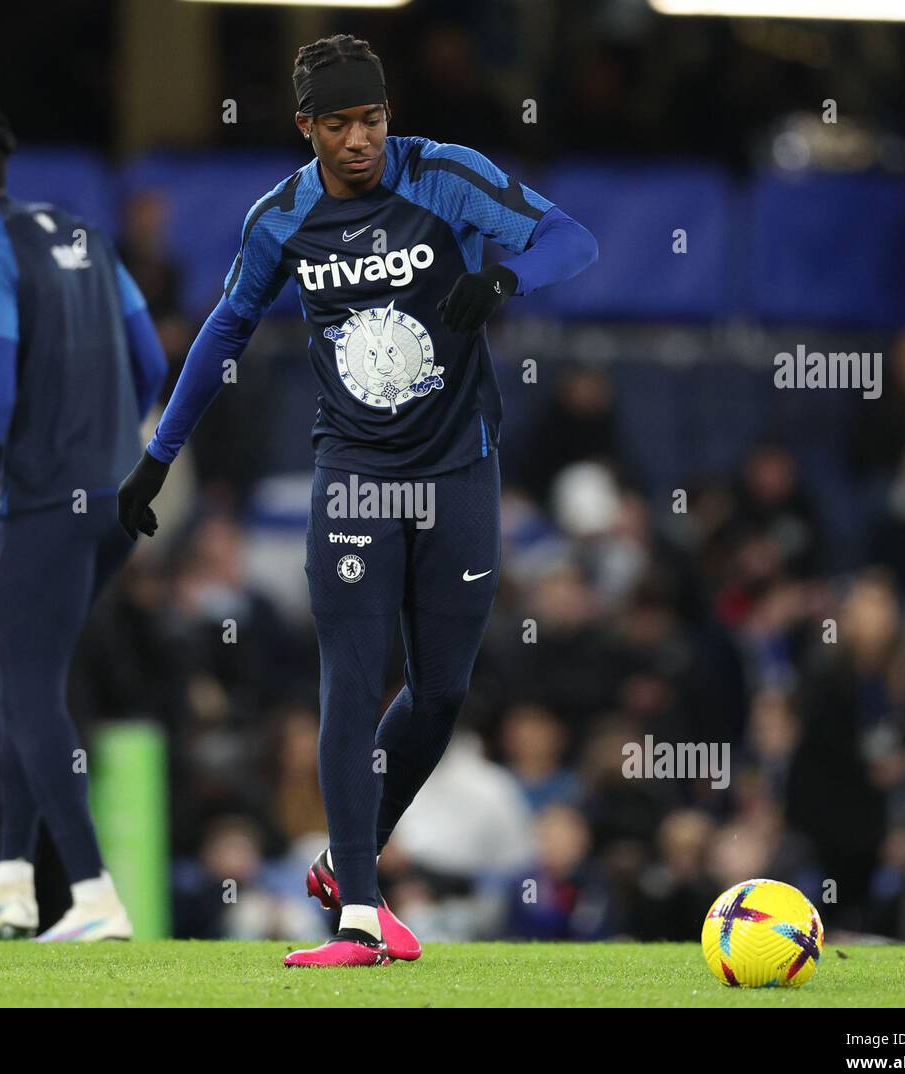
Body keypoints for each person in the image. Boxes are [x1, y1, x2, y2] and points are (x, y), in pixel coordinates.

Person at [118, 34, 597, 966]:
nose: (359, 140)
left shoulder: (444, 175)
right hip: (356, 477)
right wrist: (158, 454)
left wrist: (503, 275)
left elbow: (571, 239)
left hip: (460, 466)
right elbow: (225, 328)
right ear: (306, 128)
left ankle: (349, 863)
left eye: (371, 119)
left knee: (444, 689)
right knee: (347, 671)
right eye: (337, 124)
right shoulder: (280, 218)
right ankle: (361, 914)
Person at [0, 90, 168, 942]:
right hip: (119, 500)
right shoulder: (83, 233)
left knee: (25, 687)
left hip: (48, 502)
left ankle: (93, 893)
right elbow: (152, 357)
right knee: (19, 678)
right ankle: (14, 883)